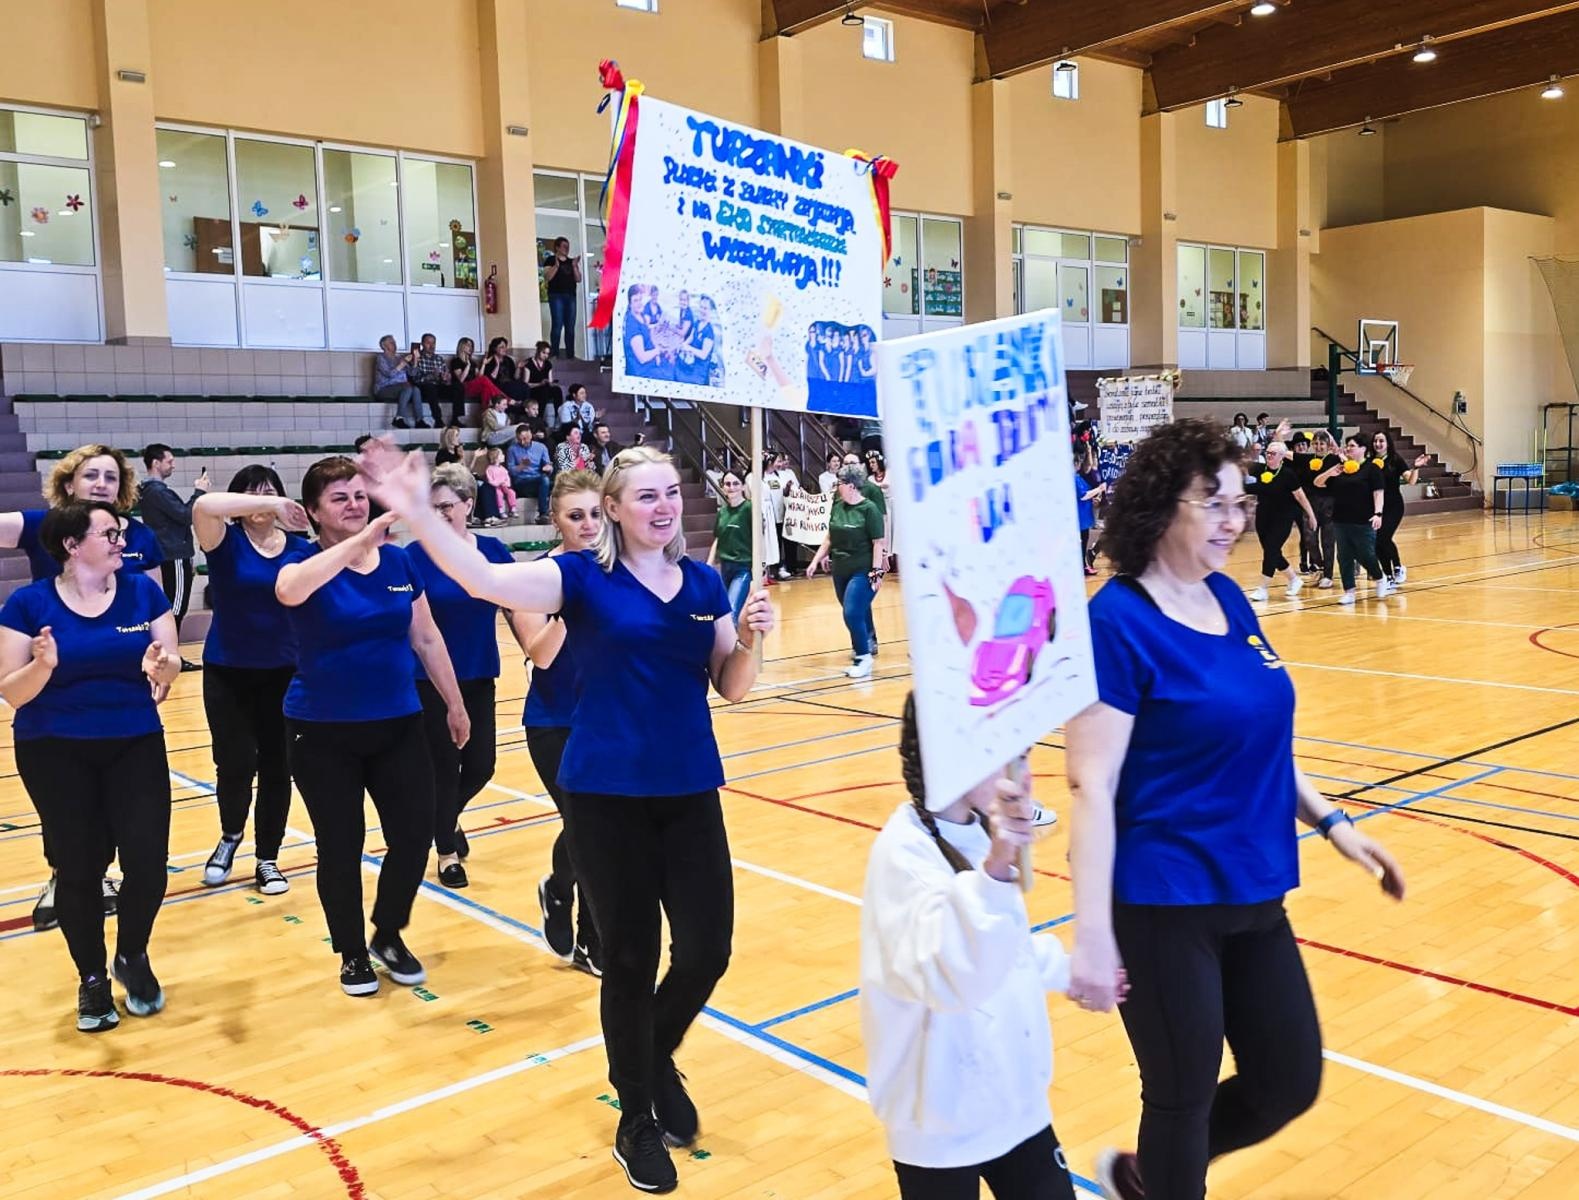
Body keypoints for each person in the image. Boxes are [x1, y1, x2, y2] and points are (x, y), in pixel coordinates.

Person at [357, 441, 775, 1194]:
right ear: (611, 509)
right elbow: (484, 577)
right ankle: (636, 1113)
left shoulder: (704, 581)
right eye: (645, 496)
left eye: (670, 493)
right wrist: (419, 513)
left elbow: (731, 686)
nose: (663, 507)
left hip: (687, 789)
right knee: (628, 958)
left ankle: (651, 1056)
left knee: (707, 952)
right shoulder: (581, 577)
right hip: (605, 790)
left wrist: (749, 636)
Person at [1061, 418, 1406, 1200]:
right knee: (1180, 1097)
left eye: (1239, 502)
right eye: (1211, 503)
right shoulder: (1115, 623)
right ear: (1157, 508)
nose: (1233, 520)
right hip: (1160, 904)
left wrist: (1335, 826)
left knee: (1287, 1080)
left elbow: (1259, 744)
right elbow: (1089, 786)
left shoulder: (1223, 597)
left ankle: (1146, 1179)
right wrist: (1089, 939)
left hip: (1254, 891)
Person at [863, 694, 1097, 1199]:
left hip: (1015, 1104)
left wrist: (1069, 969)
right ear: (954, 760)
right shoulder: (902, 854)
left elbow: (1005, 951)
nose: (1027, 774)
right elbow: (953, 975)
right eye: (1009, 755)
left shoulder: (977, 833)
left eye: (1026, 753)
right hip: (938, 1124)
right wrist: (996, 868)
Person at [274, 457, 470, 997]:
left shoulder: (399, 564)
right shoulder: (301, 561)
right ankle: (352, 952)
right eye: (339, 498)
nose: (355, 505)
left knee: (414, 833)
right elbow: (290, 592)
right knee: (340, 844)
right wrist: (357, 542)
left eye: (360, 496)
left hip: (398, 721)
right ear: (313, 511)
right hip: (321, 730)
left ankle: (386, 931)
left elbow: (426, 638)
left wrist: (454, 704)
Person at [0, 501, 182, 1033]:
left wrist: (163, 664)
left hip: (135, 742)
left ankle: (132, 954)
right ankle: (92, 979)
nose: (121, 542)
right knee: (79, 868)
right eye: (108, 534)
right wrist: (42, 666)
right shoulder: (26, 604)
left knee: (148, 862)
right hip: (54, 748)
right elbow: (13, 693)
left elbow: (168, 662)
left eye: (120, 533)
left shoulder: (143, 590)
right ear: (72, 545)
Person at [0, 443, 165, 931]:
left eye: (111, 477)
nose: (101, 484)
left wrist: (161, 663)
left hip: (120, 686)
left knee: (132, 826)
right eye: (91, 475)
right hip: (54, 686)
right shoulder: (40, 527)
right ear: (69, 482)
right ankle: (67, 875)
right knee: (72, 823)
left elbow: (157, 608)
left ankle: (102, 893)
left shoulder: (138, 539)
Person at [192, 467, 314, 895]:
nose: (262, 500)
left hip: (285, 673)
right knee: (234, 764)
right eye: (252, 494)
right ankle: (229, 837)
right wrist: (268, 504)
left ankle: (268, 858)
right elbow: (204, 505)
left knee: (278, 768)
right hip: (228, 671)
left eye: (271, 491)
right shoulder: (224, 542)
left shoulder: (301, 550)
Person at [406, 465, 517, 889]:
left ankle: (443, 819)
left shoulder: (492, 551)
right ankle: (446, 852)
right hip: (428, 681)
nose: (439, 516)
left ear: (469, 505)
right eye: (431, 509)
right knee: (443, 767)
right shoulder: (414, 556)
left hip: (479, 673)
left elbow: (519, 606)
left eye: (447, 507)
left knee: (480, 764)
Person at [517, 470, 605, 976]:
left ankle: (557, 887)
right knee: (587, 828)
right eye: (576, 516)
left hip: (606, 717)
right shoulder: (538, 577)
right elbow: (541, 655)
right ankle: (591, 941)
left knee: (594, 829)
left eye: (595, 513)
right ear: (556, 521)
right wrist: (575, 601)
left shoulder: (620, 568)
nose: (588, 524)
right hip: (553, 721)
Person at [806, 463, 886, 680]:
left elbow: (878, 543)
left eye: (839, 483)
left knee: (851, 611)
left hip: (863, 569)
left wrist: (877, 572)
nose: (836, 486)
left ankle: (864, 656)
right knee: (852, 613)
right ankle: (860, 650)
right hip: (840, 569)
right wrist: (816, 560)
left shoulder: (869, 509)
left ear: (851, 485)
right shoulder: (838, 506)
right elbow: (830, 538)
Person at [138, 443, 210, 664]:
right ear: (156, 463)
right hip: (174, 554)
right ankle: (172, 655)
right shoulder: (158, 492)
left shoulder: (147, 491)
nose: (173, 465)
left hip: (167, 553)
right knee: (175, 607)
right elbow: (186, 515)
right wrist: (200, 492)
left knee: (172, 605)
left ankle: (169, 654)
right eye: (169, 461)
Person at [1313, 435, 1391, 605]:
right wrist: (1330, 472)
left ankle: (1379, 577)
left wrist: (1378, 514)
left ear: (1363, 449)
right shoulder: (1341, 469)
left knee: (1366, 554)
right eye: (1347, 446)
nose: (1348, 449)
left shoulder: (1371, 469)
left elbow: (1378, 493)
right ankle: (1349, 591)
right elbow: (1317, 483)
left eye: (1352, 446)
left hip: (1363, 520)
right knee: (1344, 556)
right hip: (1341, 520)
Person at [1244, 440, 1316, 602]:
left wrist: (1311, 515)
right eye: (1267, 453)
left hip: (1283, 518)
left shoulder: (1288, 474)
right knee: (1272, 552)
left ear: (1282, 457)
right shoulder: (1260, 469)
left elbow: (1300, 496)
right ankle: (1294, 579)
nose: (1269, 456)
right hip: (1263, 516)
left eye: (1273, 454)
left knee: (1271, 549)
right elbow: (1241, 465)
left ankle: (1262, 588)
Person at [1372, 431, 1429, 583]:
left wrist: (1416, 468)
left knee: (1384, 537)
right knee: (1377, 541)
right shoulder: (1369, 461)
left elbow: (1410, 481)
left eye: (1381, 441)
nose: (1378, 444)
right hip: (1376, 507)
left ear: (1388, 443)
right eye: (1375, 441)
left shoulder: (1395, 460)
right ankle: (1388, 576)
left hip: (1393, 506)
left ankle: (1397, 567)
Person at [707, 469, 753, 621]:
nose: (731, 487)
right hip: (726, 567)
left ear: (743, 486)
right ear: (723, 487)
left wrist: (762, 565)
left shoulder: (749, 509)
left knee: (732, 610)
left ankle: (730, 643)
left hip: (743, 568)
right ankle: (733, 642)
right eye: (727, 484)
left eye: (735, 483)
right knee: (724, 612)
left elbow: (759, 537)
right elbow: (718, 538)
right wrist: (709, 563)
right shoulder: (723, 512)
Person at [1305, 429, 1341, 588]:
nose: (1319, 447)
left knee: (1328, 540)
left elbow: (1344, 458)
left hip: (1329, 503)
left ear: (1328, 445)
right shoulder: (1307, 460)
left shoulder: (1334, 459)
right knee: (1309, 538)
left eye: (1322, 444)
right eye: (1316, 444)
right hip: (1310, 502)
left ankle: (1328, 575)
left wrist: (1334, 444)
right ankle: (1319, 566)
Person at [449, 337, 507, 425]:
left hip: (473, 387)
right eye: (468, 345)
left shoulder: (473, 362)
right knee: (484, 380)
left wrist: (483, 364)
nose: (470, 348)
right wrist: (467, 366)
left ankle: (486, 417)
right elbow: (461, 379)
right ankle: (506, 399)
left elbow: (479, 377)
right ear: (461, 346)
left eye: (471, 346)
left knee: (486, 389)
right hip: (463, 387)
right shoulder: (456, 361)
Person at [373, 334, 424, 428]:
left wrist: (415, 360)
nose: (394, 344)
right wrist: (403, 363)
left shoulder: (399, 357)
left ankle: (419, 420)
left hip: (402, 387)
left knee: (416, 389)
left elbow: (413, 373)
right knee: (408, 388)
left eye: (395, 342)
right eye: (391, 343)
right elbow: (389, 374)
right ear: (384, 346)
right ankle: (399, 418)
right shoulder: (381, 358)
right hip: (384, 389)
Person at [543, 237, 581, 358]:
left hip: (571, 296)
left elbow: (578, 279)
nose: (567, 249)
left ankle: (570, 354)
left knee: (570, 326)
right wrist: (556, 266)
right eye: (564, 246)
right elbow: (548, 277)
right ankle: (554, 353)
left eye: (568, 246)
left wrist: (575, 266)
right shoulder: (550, 260)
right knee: (557, 325)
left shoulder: (571, 262)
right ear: (557, 247)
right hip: (556, 296)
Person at [505, 425, 553, 521]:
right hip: (521, 481)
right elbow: (510, 471)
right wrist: (521, 466)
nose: (522, 442)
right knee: (544, 480)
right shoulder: (512, 449)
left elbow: (548, 465)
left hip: (538, 479)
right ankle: (543, 513)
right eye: (519, 440)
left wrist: (548, 468)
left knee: (552, 482)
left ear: (530, 435)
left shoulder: (541, 447)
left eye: (525, 439)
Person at [411, 332, 453, 428]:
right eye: (428, 343)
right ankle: (438, 420)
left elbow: (445, 377)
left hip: (438, 385)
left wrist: (446, 378)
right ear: (422, 344)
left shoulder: (439, 359)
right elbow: (415, 379)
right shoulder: (417, 357)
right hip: (424, 388)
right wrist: (431, 376)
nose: (431, 346)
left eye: (433, 343)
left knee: (457, 387)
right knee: (430, 387)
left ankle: (456, 419)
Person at [1075, 447, 1105, 578]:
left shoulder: (1078, 478)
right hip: (1080, 515)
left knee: (1084, 540)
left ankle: (1084, 564)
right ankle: (1082, 565)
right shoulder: (1074, 478)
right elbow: (1082, 495)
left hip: (1084, 514)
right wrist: (1099, 489)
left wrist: (1094, 496)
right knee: (1082, 541)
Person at [524, 341, 565, 412]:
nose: (545, 356)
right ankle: (539, 415)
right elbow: (525, 384)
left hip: (545, 387)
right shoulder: (529, 363)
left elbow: (550, 380)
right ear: (538, 351)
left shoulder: (548, 364)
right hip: (534, 389)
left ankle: (558, 414)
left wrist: (550, 382)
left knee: (557, 390)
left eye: (547, 354)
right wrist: (539, 384)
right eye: (543, 353)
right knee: (543, 392)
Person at [482, 450, 517, 524]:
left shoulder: (503, 469)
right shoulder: (489, 469)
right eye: (501, 455)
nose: (504, 456)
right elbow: (490, 480)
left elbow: (507, 478)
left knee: (511, 492)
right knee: (498, 494)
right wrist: (498, 483)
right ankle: (501, 510)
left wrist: (506, 484)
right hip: (496, 487)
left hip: (504, 486)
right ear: (495, 458)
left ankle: (513, 508)